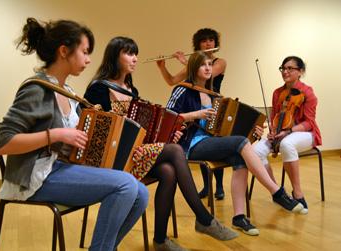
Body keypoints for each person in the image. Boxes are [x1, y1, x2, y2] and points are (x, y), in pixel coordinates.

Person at [0, 18, 149, 251]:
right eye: (85, 52)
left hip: (62, 168)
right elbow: (3, 143)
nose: (88, 60)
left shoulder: (68, 92)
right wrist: (56, 134)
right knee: (126, 185)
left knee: (141, 193)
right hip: (37, 177)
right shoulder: (37, 89)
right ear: (64, 51)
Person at [84, 36, 238, 251]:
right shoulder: (98, 89)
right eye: (129, 53)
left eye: (136, 53)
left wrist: (168, 133)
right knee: (175, 151)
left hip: (134, 153)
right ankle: (203, 218)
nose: (135, 58)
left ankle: (160, 240)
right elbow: (93, 128)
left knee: (168, 171)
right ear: (114, 57)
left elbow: (141, 132)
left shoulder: (131, 89)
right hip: (111, 158)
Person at [166, 51, 305, 236]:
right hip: (189, 144)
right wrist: (195, 115)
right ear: (193, 68)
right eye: (202, 65)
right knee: (239, 144)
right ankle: (277, 192)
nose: (208, 68)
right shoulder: (181, 89)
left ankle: (238, 217)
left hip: (212, 142)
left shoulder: (215, 96)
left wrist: (253, 134)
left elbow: (227, 131)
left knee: (239, 156)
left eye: (209, 64)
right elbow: (167, 118)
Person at [156, 28, 226, 200]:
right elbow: (172, 81)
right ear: (198, 44)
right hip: (195, 104)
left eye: (211, 40)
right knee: (200, 137)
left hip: (213, 101)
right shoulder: (189, 74)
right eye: (204, 41)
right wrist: (162, 67)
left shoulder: (219, 61)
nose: (208, 43)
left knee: (217, 138)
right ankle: (207, 186)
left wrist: (186, 62)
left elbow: (208, 74)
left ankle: (219, 186)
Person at [254, 56, 322, 214]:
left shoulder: (308, 93)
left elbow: (309, 123)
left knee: (287, 144)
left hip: (306, 134)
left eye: (290, 68)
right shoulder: (278, 93)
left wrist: (289, 131)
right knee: (256, 152)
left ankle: (297, 193)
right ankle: (278, 193)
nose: (285, 71)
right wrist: (272, 131)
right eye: (283, 68)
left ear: (301, 72)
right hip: (281, 132)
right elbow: (275, 117)